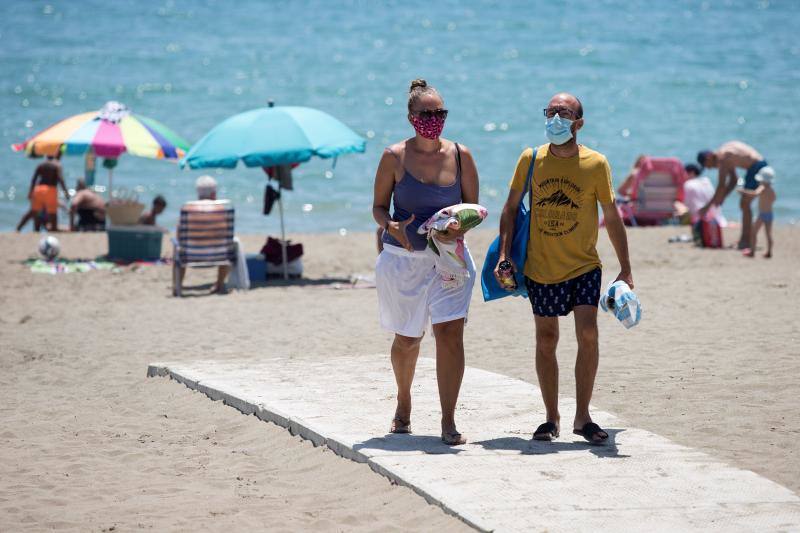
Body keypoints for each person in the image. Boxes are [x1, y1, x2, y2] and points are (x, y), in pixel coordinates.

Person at [494, 92, 633, 444]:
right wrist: (504, 255)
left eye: (564, 113)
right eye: (551, 111)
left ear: (579, 123)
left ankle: (582, 416)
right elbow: (510, 209)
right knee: (546, 339)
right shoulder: (531, 159)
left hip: (585, 265)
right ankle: (550, 417)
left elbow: (612, 217)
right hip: (541, 267)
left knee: (588, 333)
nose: (556, 118)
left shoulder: (596, 163)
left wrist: (626, 267)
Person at [372, 79, 480, 445]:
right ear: (410, 117)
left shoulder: (462, 155)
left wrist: (455, 226)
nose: (434, 120)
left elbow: (473, 209)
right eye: (427, 114)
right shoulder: (393, 156)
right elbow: (377, 207)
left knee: (450, 335)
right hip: (404, 260)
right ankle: (404, 401)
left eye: (440, 113)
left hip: (449, 260)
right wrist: (390, 226)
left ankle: (448, 420)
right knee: (407, 339)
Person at [697, 141, 773, 249]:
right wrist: (723, 197)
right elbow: (733, 180)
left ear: (709, 157)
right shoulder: (725, 153)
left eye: (706, 166)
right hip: (757, 166)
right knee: (744, 205)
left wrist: (707, 207)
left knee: (745, 204)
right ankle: (745, 239)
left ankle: (746, 241)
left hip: (757, 167)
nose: (709, 169)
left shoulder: (723, 158)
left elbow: (721, 185)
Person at [177, 176, 230, 294]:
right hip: (218, 257)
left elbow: (179, 236)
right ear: (213, 193)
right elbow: (227, 235)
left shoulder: (187, 208)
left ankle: (178, 286)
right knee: (231, 245)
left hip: (190, 256)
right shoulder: (221, 209)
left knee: (178, 248)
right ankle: (219, 284)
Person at [16, 153, 69, 232]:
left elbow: (34, 179)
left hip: (38, 189)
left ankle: (19, 228)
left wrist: (30, 192)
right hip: (50, 189)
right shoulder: (57, 165)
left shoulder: (41, 165)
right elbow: (60, 179)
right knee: (52, 214)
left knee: (33, 212)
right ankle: (53, 231)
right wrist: (66, 192)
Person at [740, 167, 776, 258]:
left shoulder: (762, 187)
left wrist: (743, 191)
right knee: (768, 234)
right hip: (770, 214)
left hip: (762, 214)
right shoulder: (771, 189)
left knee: (754, 232)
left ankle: (752, 252)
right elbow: (773, 199)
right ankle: (769, 252)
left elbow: (755, 193)